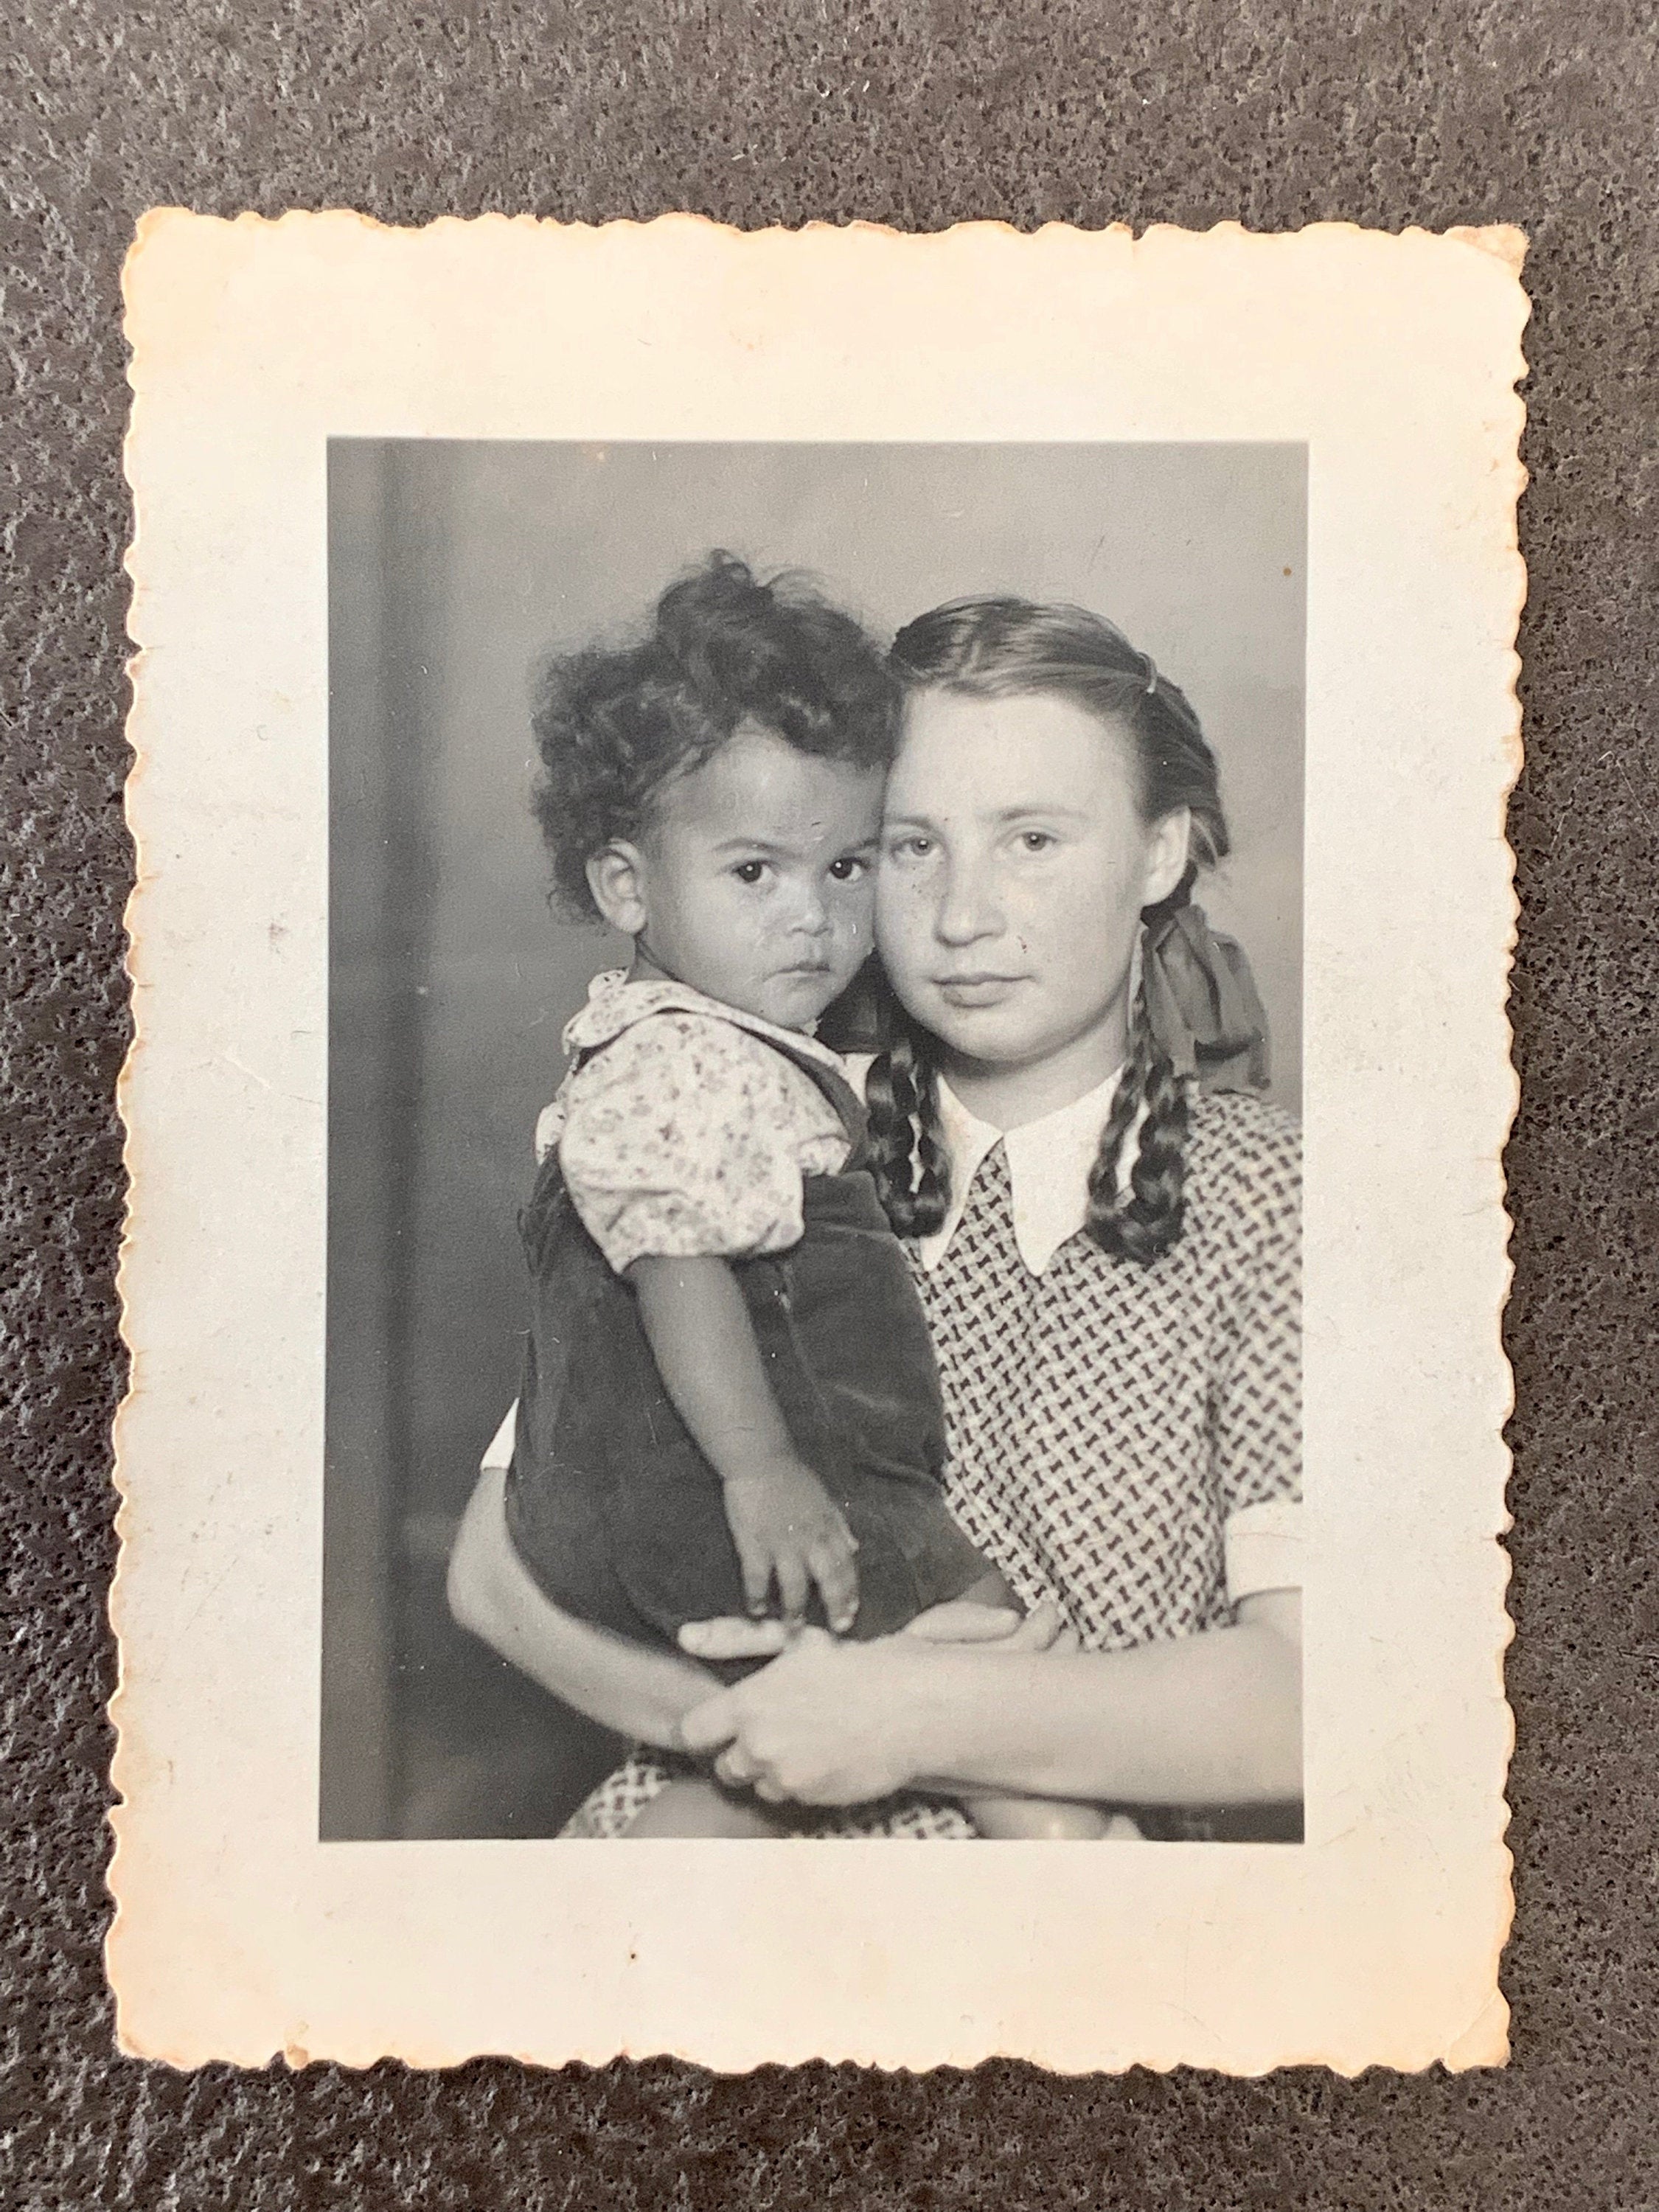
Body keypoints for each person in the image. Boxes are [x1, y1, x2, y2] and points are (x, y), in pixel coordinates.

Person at [449, 588, 1301, 1838]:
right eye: (910, 847)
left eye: (1033, 840)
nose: (963, 917)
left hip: (1085, 1903)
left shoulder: (1276, 1197)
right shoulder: (757, 1118)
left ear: (1161, 851)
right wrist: (762, 1736)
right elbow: (491, 1578)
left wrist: (906, 1721)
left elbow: (1309, 1695)